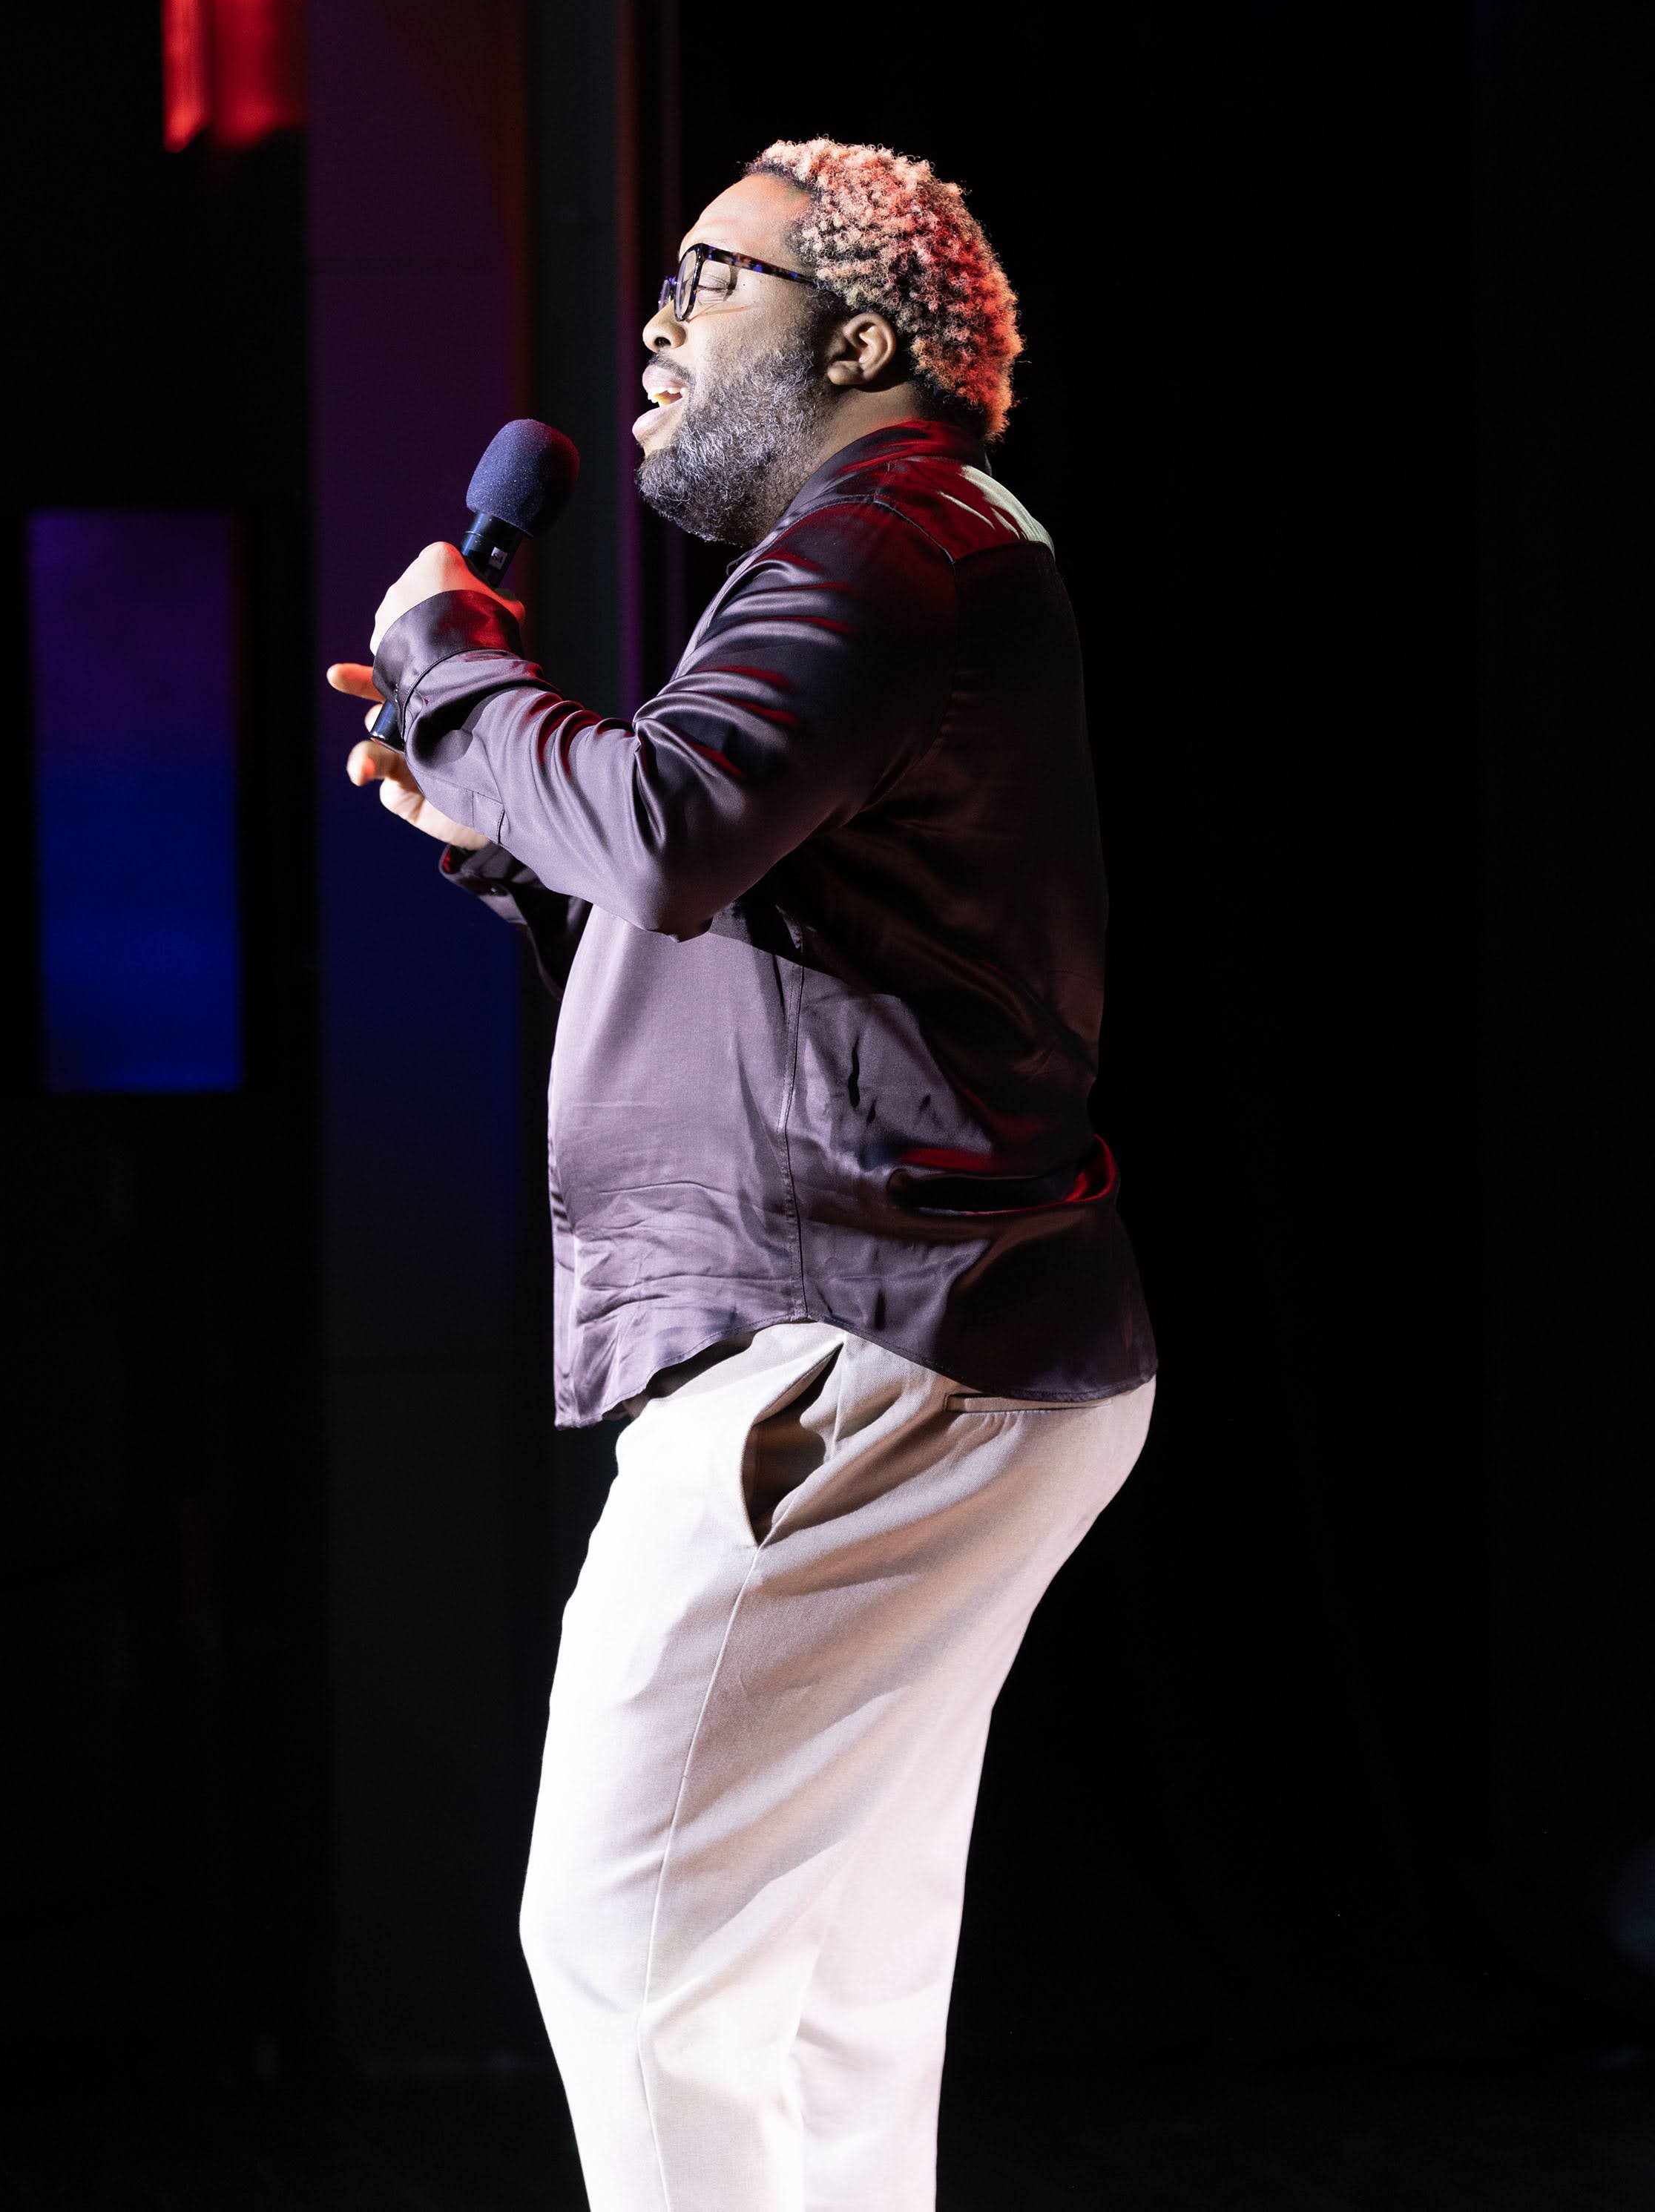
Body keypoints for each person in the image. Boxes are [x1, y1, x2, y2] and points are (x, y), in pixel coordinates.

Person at [328, 138, 1156, 2212]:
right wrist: (508, 827)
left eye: (715, 278)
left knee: (638, 1953)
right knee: (812, 1990)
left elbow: (673, 829)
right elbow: (724, 891)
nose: (658, 322)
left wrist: (452, 662)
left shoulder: (883, 543)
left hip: (853, 1344)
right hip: (944, 1333)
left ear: (862, 341)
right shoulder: (917, 547)